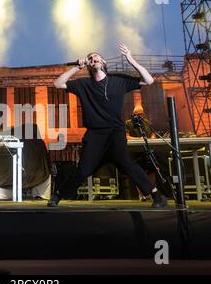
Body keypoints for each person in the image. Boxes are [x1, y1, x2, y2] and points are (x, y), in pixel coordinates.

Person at [48, 43, 167, 208]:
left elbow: (149, 80)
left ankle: (157, 196)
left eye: (96, 56)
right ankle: (58, 195)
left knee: (127, 164)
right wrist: (77, 67)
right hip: (95, 135)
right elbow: (58, 84)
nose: (93, 58)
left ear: (103, 62)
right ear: (89, 64)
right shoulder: (84, 84)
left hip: (115, 133)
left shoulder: (119, 81)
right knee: (83, 170)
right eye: (90, 58)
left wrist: (131, 59)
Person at [125, 105, 157, 201]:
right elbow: (127, 137)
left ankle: (152, 192)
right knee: (139, 173)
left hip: (147, 150)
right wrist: (140, 139)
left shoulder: (146, 122)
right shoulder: (128, 123)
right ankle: (142, 194)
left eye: (141, 114)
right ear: (133, 114)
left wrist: (152, 139)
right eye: (138, 114)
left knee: (152, 172)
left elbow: (153, 133)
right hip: (135, 151)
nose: (140, 116)